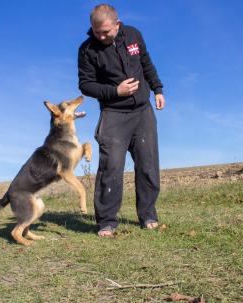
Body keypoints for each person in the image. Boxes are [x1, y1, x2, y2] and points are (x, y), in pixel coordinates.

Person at [78, 4, 165, 236]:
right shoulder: (87, 50)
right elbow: (85, 85)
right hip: (113, 114)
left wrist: (157, 89)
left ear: (117, 24)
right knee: (111, 167)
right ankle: (107, 220)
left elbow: (146, 62)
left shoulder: (134, 35)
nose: (101, 36)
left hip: (143, 111)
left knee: (148, 165)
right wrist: (116, 91)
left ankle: (148, 214)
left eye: (105, 31)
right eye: (96, 31)